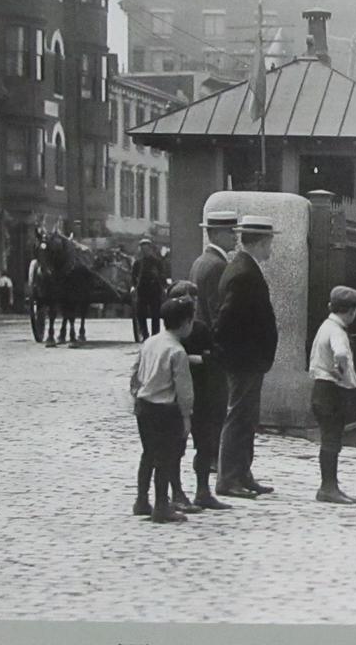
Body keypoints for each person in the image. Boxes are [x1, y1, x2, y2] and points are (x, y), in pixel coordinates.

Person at [213, 215, 280, 499]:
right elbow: (226, 320)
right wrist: (234, 352)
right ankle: (228, 478)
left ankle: (243, 473)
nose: (271, 250)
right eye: (270, 243)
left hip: (249, 359)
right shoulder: (243, 273)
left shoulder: (245, 267)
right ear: (262, 242)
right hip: (243, 361)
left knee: (247, 417)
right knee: (238, 417)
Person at [129, 296, 196, 524]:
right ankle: (161, 505)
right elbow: (184, 389)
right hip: (165, 410)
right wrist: (186, 416)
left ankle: (141, 500)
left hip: (144, 406)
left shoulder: (150, 342)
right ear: (186, 322)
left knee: (148, 454)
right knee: (165, 458)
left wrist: (136, 393)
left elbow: (135, 371)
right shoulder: (177, 351)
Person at [188, 210, 239, 490]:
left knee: (206, 406)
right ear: (217, 234)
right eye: (232, 232)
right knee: (216, 406)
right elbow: (217, 313)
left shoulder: (200, 261)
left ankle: (208, 456)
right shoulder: (218, 265)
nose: (236, 237)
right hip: (212, 349)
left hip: (200, 346)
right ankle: (212, 459)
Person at [309, 286, 356, 505]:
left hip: (321, 389)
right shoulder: (337, 331)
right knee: (332, 440)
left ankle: (330, 485)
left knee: (330, 439)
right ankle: (328, 487)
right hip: (330, 390)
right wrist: (341, 372)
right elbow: (340, 353)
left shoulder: (326, 325)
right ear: (350, 311)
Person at [131, 238, 165, 339]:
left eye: (147, 249)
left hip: (154, 290)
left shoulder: (157, 262)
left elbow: (163, 276)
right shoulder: (138, 263)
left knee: (155, 314)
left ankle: (155, 335)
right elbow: (133, 276)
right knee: (141, 314)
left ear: (151, 249)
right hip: (142, 291)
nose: (145, 251)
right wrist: (133, 286)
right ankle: (145, 334)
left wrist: (158, 277)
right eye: (143, 249)